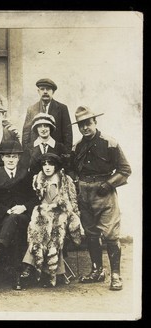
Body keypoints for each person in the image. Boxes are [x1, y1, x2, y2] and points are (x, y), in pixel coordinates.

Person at [70, 106, 132, 291]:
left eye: (88, 123)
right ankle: (97, 271)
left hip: (104, 193)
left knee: (111, 234)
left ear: (95, 122)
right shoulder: (77, 146)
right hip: (84, 193)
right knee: (90, 233)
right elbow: (72, 168)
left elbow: (125, 170)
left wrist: (109, 184)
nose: (85, 128)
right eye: (81, 125)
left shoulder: (109, 143)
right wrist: (75, 182)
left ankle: (115, 275)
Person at [17, 153, 83, 290]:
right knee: (36, 233)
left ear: (56, 166)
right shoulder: (38, 179)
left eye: (50, 164)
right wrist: (42, 209)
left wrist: (60, 209)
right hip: (42, 213)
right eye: (44, 164)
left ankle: (50, 272)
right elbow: (35, 199)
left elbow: (71, 201)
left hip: (61, 213)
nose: (47, 167)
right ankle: (28, 268)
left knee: (54, 234)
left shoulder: (65, 179)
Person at [0, 140, 36, 283]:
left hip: (23, 217)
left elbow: (35, 198)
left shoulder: (25, 174)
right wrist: (6, 211)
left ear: (18, 158)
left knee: (15, 221)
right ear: (2, 158)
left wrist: (23, 207)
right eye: (8, 156)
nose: (11, 159)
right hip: (2, 219)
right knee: (12, 223)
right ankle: (17, 277)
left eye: (14, 156)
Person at [22, 78, 73, 151]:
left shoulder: (62, 108)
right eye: (42, 89)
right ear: (38, 91)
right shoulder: (31, 109)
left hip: (56, 152)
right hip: (36, 153)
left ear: (53, 92)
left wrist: (66, 154)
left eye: (48, 89)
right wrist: (26, 153)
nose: (45, 92)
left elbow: (67, 134)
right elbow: (26, 134)